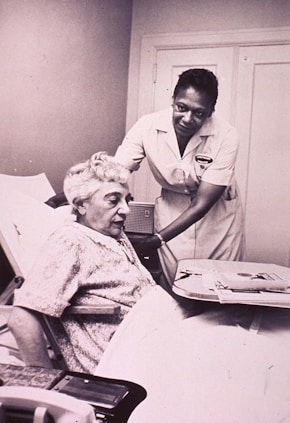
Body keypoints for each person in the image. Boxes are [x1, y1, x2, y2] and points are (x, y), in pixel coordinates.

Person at [8, 152, 165, 373]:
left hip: (156, 341)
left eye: (126, 199)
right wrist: (45, 383)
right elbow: (21, 319)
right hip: (125, 360)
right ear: (81, 205)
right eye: (113, 200)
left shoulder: (112, 233)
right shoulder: (71, 241)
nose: (126, 209)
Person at [115, 68, 245, 285]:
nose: (187, 119)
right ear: (173, 100)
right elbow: (115, 172)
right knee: (176, 286)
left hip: (216, 216)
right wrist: (72, 194)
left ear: (211, 111)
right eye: (181, 108)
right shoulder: (148, 126)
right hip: (172, 209)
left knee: (220, 286)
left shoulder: (226, 135)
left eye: (199, 113)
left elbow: (201, 204)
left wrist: (158, 240)